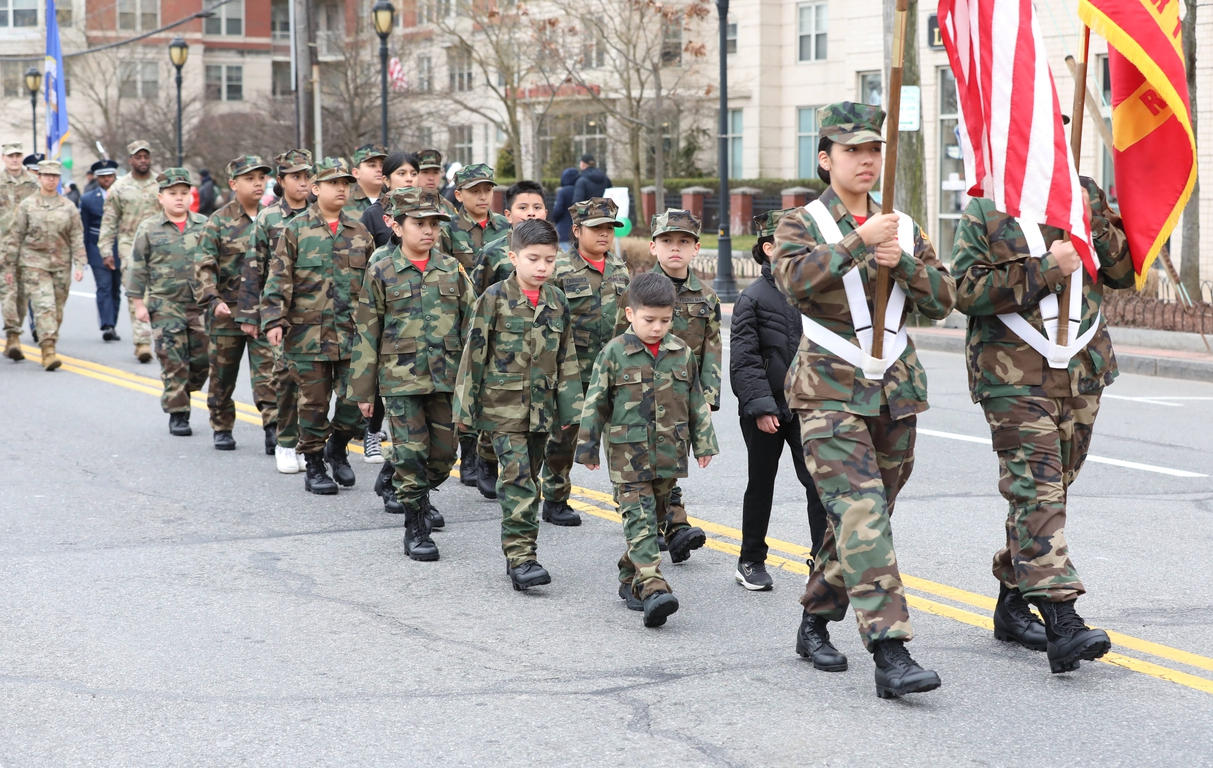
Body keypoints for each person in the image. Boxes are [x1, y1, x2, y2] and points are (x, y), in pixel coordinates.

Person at [771, 102, 955, 698]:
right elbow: (792, 281)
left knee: (860, 518)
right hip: (827, 390)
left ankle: (815, 618)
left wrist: (903, 264)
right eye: (852, 150)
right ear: (825, 159)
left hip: (894, 391)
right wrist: (858, 242)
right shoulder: (801, 223)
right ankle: (891, 651)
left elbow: (943, 299)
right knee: (861, 513)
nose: (866, 159)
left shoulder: (903, 226)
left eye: (874, 149)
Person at [951, 176, 1131, 674]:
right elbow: (964, 289)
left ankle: (1013, 603)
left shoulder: (1085, 194)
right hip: (1014, 374)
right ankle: (1063, 620)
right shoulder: (986, 206)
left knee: (1054, 489)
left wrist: (1095, 222)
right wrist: (1045, 269)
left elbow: (1122, 272)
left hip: (1081, 369)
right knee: (1039, 491)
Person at [575, 271, 718, 627]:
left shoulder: (680, 352)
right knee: (640, 521)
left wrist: (703, 443)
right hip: (627, 455)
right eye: (649, 320)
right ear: (630, 315)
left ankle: (630, 577)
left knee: (653, 519)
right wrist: (588, 447)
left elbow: (695, 401)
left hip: (669, 455)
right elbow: (595, 403)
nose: (657, 328)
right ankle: (654, 588)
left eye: (665, 320)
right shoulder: (614, 353)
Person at [453, 219, 583, 591]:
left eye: (549, 259)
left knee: (533, 479)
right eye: (533, 259)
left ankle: (520, 549)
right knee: (520, 483)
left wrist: (571, 411)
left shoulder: (557, 300)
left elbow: (567, 357)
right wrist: (464, 410)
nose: (542, 267)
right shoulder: (493, 298)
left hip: (543, 412)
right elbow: (473, 355)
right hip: (502, 409)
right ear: (513, 257)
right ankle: (522, 558)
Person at [349, 187, 477, 558]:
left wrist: (475, 381)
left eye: (434, 224)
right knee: (411, 453)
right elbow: (367, 329)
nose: (428, 231)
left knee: (442, 456)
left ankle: (395, 477)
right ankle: (416, 525)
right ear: (398, 226)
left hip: (446, 378)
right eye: (418, 223)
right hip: (400, 381)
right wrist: (363, 391)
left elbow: (473, 326)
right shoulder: (382, 269)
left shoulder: (451, 268)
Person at [730, 208, 828, 591]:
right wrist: (761, 406)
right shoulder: (751, 298)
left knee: (819, 483)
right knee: (762, 482)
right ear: (768, 248)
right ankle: (750, 559)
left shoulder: (816, 293)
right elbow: (744, 359)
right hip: (766, 409)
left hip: (809, 407)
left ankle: (822, 560)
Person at [262, 157, 373, 495]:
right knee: (312, 404)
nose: (341, 188)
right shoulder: (295, 230)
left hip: (352, 335)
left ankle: (337, 447)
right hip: (307, 335)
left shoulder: (360, 233)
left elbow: (373, 286)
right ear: (316, 189)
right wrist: (273, 320)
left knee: (356, 402)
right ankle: (313, 464)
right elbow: (278, 278)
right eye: (333, 183)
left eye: (345, 183)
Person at [631, 209, 720, 562]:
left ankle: (667, 522)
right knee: (644, 462)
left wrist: (707, 399)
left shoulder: (706, 297)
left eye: (684, 241)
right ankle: (668, 525)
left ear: (696, 248)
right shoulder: (637, 290)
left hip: (683, 396)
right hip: (639, 394)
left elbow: (712, 349)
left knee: (669, 463)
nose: (675, 248)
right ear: (653, 247)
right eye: (667, 241)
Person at [539, 197, 629, 527]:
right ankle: (555, 497)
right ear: (577, 231)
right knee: (564, 439)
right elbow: (549, 324)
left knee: (622, 441)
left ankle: (632, 507)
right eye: (596, 228)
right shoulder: (559, 269)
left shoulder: (620, 269)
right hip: (573, 374)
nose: (604, 234)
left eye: (609, 228)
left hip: (615, 373)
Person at [239, 149, 314, 473]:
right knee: (285, 378)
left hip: (317, 311)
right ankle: (285, 439)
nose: (303, 182)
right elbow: (253, 269)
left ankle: (309, 441)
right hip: (280, 310)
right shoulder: (269, 218)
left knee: (315, 384)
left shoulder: (319, 213)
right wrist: (252, 316)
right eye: (296, 177)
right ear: (281, 181)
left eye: (307, 176)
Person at [195, 155, 276, 452]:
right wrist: (213, 299)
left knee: (269, 373)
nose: (258, 183)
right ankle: (221, 424)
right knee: (223, 375)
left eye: (261, 177)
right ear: (233, 184)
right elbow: (203, 265)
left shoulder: (273, 217)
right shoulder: (218, 221)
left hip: (263, 312)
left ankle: (273, 427)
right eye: (249, 178)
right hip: (226, 312)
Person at [125, 168, 210, 435]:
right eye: (172, 193)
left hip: (201, 305)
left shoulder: (204, 225)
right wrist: (139, 304)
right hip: (165, 305)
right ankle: (178, 413)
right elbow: (137, 268)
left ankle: (187, 390)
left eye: (184, 193)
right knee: (173, 361)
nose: (179, 198)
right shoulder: (149, 228)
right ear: (161, 197)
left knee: (202, 361)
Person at [1, 160, 85, 370]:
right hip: (33, 264)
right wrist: (10, 266)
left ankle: (49, 339)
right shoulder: (27, 205)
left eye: (54, 176)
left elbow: (76, 235)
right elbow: (15, 236)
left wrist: (80, 264)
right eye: (46, 175)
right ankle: (48, 351)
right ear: (39, 178)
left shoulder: (68, 207)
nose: (50, 180)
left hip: (61, 265)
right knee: (43, 306)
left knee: (56, 309)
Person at [97, 140, 160, 364]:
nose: (143, 160)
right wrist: (106, 250)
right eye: (138, 157)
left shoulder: (162, 183)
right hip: (129, 248)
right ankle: (143, 342)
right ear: (130, 160)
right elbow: (109, 221)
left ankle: (163, 340)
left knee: (159, 295)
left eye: (146, 156)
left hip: (160, 247)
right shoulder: (119, 188)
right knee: (138, 293)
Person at [1, 142, 39, 360]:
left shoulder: (34, 183)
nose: (14, 159)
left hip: (28, 249)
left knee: (22, 297)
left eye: (18, 155)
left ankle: (12, 335)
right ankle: (13, 335)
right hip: (3, 248)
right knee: (8, 292)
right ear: (3, 158)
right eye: (10, 156)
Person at [438, 163, 510, 273]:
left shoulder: (505, 225)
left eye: (488, 190)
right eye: (475, 191)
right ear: (458, 195)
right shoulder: (447, 230)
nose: (483, 197)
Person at [80, 159, 123, 342]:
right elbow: (84, 227)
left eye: (110, 176)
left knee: (115, 288)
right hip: (97, 247)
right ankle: (108, 325)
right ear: (97, 178)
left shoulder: (123, 196)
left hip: (121, 246)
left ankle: (112, 322)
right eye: (103, 176)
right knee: (104, 286)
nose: (107, 179)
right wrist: (83, 253)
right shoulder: (88, 199)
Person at [361, 151, 420, 248]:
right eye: (402, 173)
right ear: (386, 180)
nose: (409, 178)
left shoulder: (428, 209)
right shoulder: (373, 214)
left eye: (413, 174)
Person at [414, 148, 459, 218]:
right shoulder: (404, 202)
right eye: (425, 172)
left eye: (436, 172)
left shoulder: (448, 206)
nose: (431, 178)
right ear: (414, 174)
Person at [346, 144, 388, 216]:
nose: (379, 170)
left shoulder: (393, 203)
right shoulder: (343, 202)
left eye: (382, 165)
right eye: (372, 165)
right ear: (356, 173)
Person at [549, 167, 578, 251]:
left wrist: (556, 220)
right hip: (578, 231)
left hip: (564, 230)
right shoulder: (580, 190)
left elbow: (557, 210)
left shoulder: (563, 191)